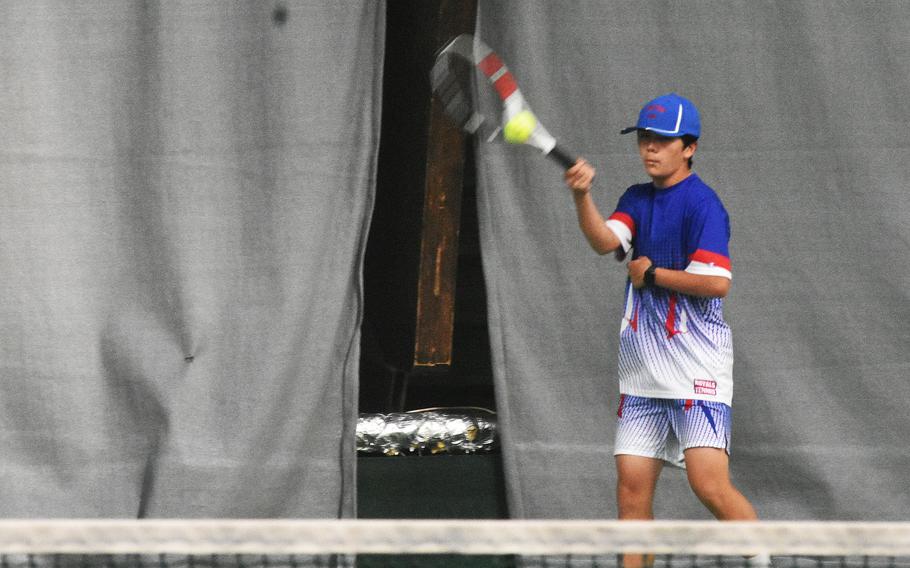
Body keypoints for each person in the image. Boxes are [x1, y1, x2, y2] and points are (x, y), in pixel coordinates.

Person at [564, 93, 768, 567]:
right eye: (644, 139)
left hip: (698, 373)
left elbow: (716, 284)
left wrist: (652, 275)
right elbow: (603, 242)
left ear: (689, 147)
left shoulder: (704, 206)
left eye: (662, 140)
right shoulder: (636, 198)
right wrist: (581, 195)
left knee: (709, 486)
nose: (649, 149)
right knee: (631, 498)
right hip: (641, 378)